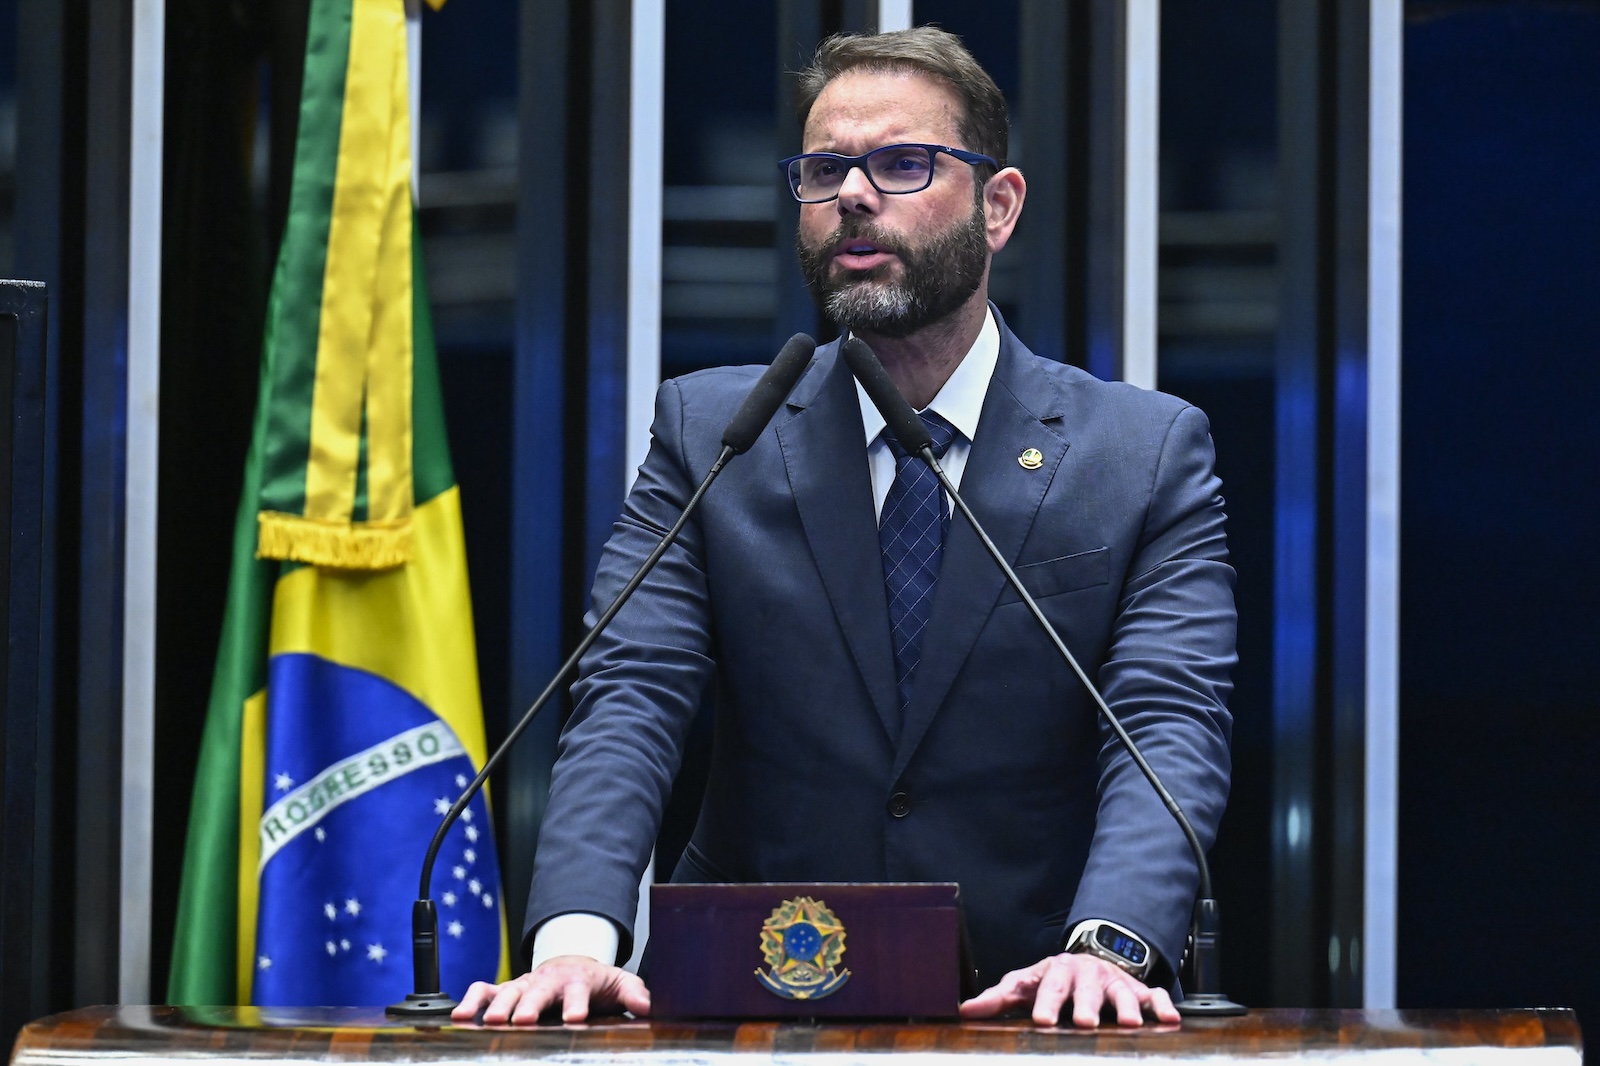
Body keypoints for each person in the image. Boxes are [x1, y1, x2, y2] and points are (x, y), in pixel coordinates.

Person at [454, 26, 1234, 1029]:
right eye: (825, 170)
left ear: (998, 207)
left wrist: (1110, 943)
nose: (852, 196)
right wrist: (573, 942)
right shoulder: (713, 434)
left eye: (901, 164)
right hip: (747, 1001)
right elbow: (630, 696)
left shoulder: (1143, 453)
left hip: (1038, 1004)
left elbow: (1165, 718)